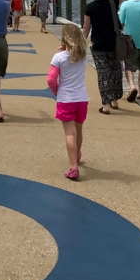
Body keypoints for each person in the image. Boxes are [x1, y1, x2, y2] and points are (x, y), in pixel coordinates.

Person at [47, 23, 89, 180]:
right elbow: (74, 55)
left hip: (66, 99)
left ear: (64, 39)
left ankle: (73, 167)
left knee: (69, 133)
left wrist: (56, 90)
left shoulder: (58, 57)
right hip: (82, 98)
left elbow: (51, 79)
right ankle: (77, 154)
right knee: (78, 130)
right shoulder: (83, 56)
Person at [82, 0, 127, 114]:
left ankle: (105, 104)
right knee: (115, 70)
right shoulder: (113, 2)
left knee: (103, 73)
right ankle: (115, 100)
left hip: (98, 43)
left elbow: (86, 27)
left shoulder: (90, 7)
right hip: (114, 42)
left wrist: (83, 41)